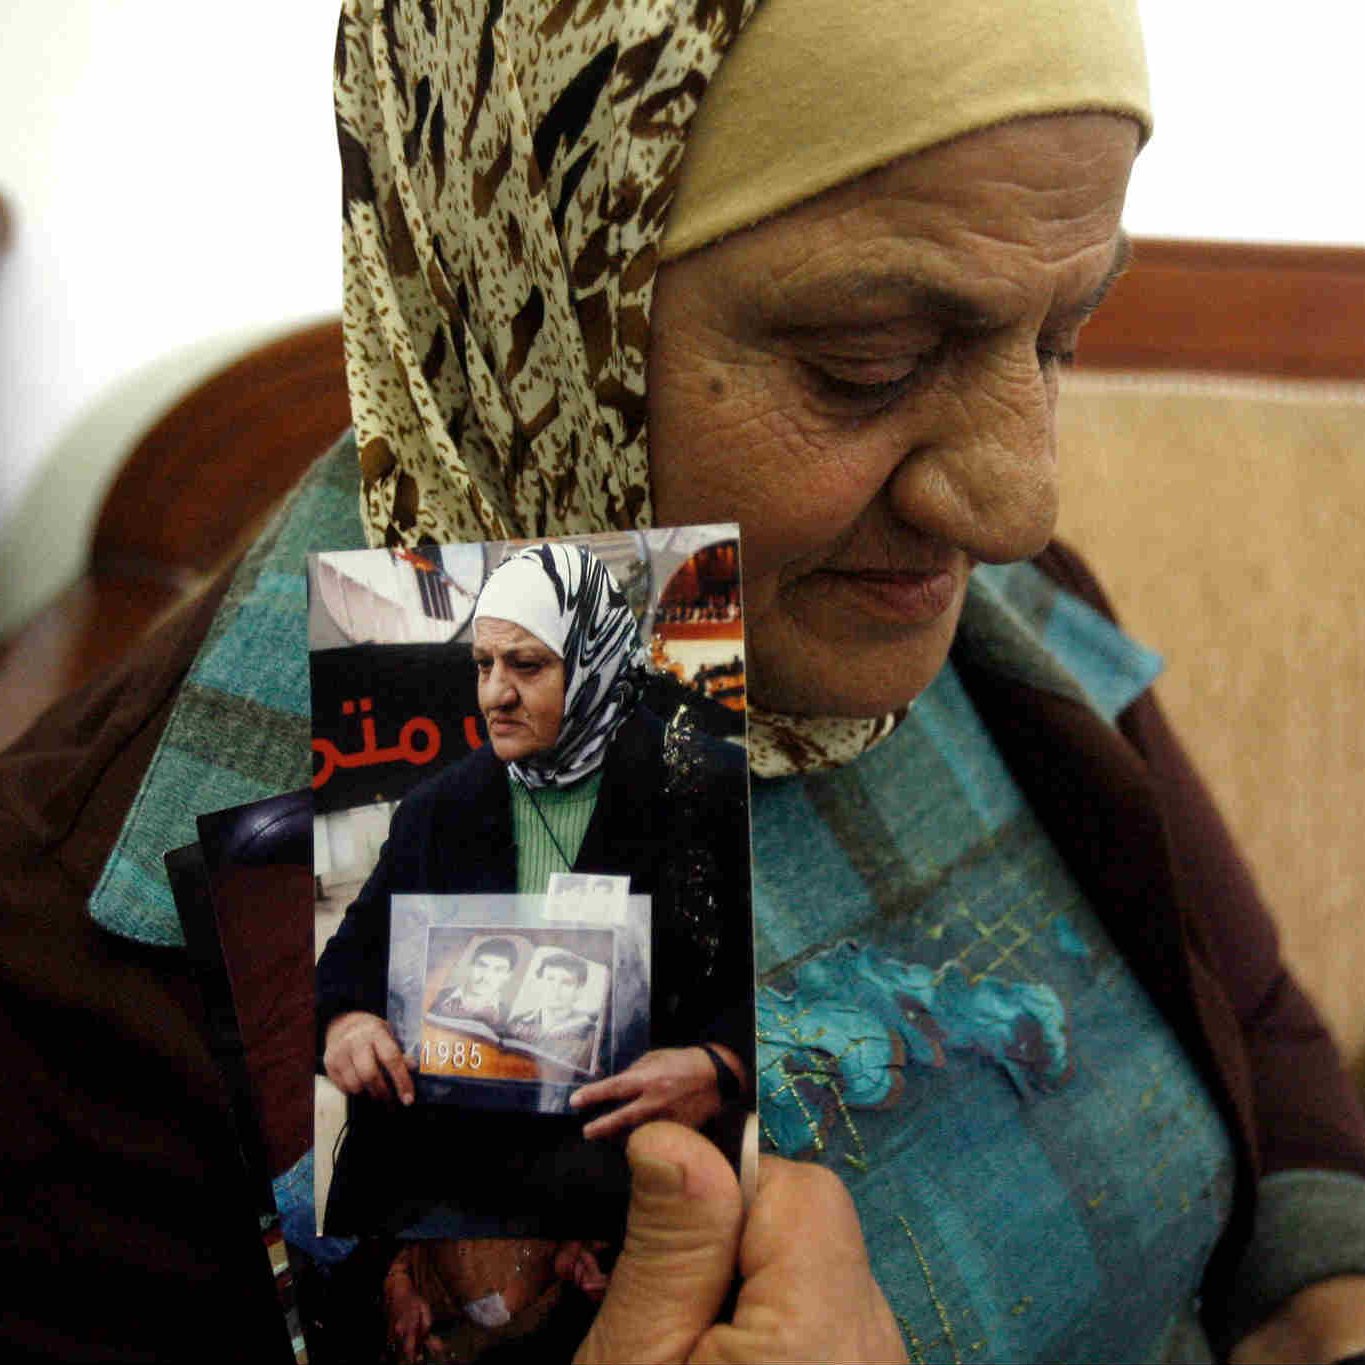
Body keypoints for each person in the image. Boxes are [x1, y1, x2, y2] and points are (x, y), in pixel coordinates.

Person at [4, 1, 1365, 1362]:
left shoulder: (1004, 616)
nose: (1016, 500)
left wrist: (1326, 1297)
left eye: (1063, 334)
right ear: (528, 290)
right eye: (865, 365)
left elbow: (1256, 1030)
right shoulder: (76, 993)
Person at [316, 540, 753, 1235]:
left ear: (595, 660)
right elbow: (349, 960)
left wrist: (722, 1063)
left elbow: (771, 974)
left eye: (525, 664)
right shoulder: (439, 808)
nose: (495, 693)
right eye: (482, 665)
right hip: (448, 1175)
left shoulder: (711, 788)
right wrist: (347, 1023)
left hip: (622, 1181)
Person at [506, 951, 600, 1073]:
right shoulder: (517, 1021)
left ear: (578, 991)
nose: (555, 989)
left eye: (566, 982)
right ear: (539, 983)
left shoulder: (589, 1033)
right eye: (550, 979)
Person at [428, 937, 520, 1031]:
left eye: (498, 970)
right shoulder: (434, 997)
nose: (486, 977)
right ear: (470, 965)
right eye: (482, 965)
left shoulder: (509, 1020)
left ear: (508, 976)